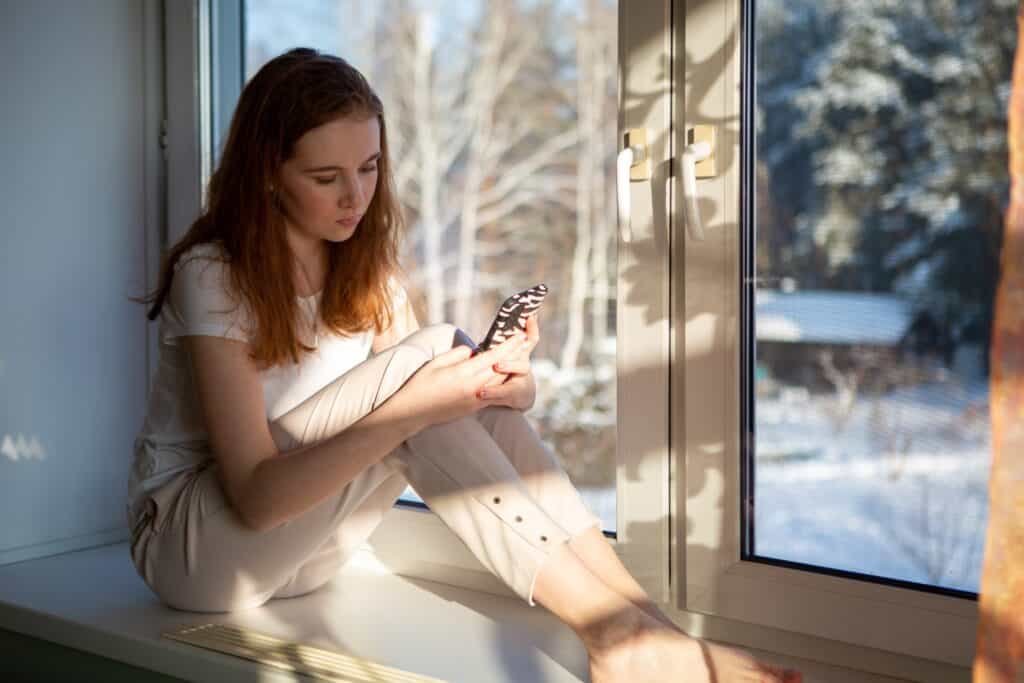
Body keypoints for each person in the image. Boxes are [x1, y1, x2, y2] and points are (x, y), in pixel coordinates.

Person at [128, 47, 798, 683]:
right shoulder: (212, 274)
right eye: (326, 177)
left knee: (434, 376)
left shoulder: (363, 270)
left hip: (306, 558)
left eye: (368, 168)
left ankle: (650, 631)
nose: (354, 198)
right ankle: (613, 633)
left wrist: (510, 383)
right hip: (198, 553)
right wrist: (426, 398)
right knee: (428, 370)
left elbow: (435, 426)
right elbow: (256, 494)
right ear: (268, 172)